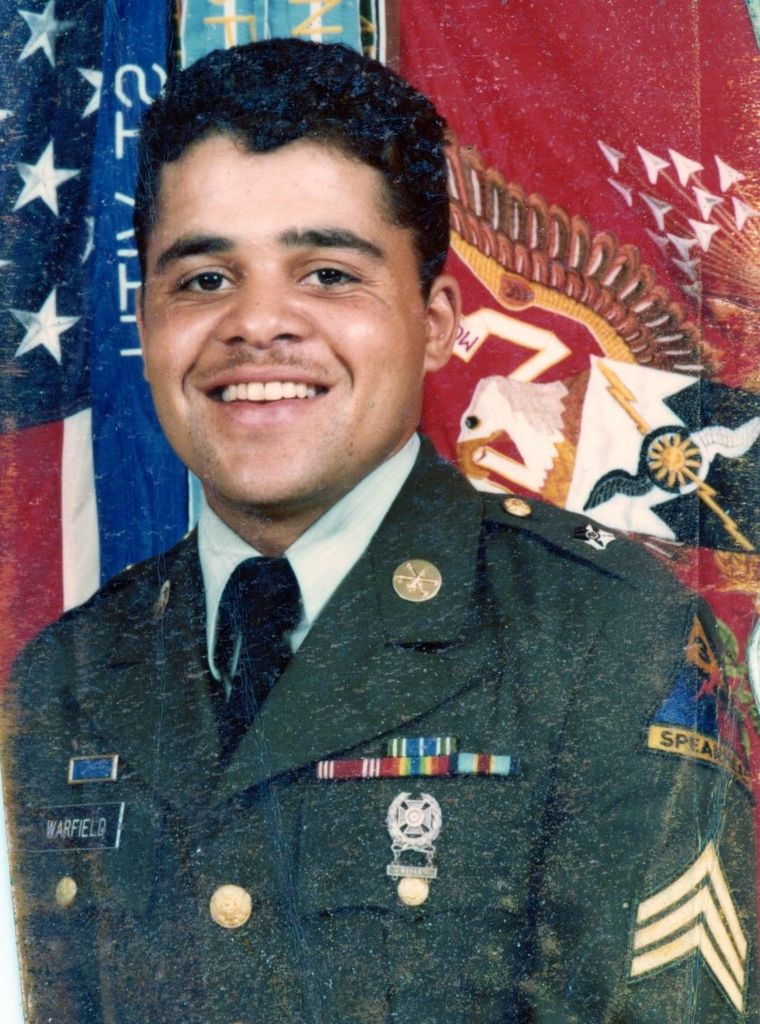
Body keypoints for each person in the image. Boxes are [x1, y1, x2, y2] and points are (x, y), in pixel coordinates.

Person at [3, 38, 755, 1024]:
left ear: (435, 321)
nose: (256, 323)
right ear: (145, 321)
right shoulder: (66, 676)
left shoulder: (613, 639)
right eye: (203, 279)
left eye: (326, 273)